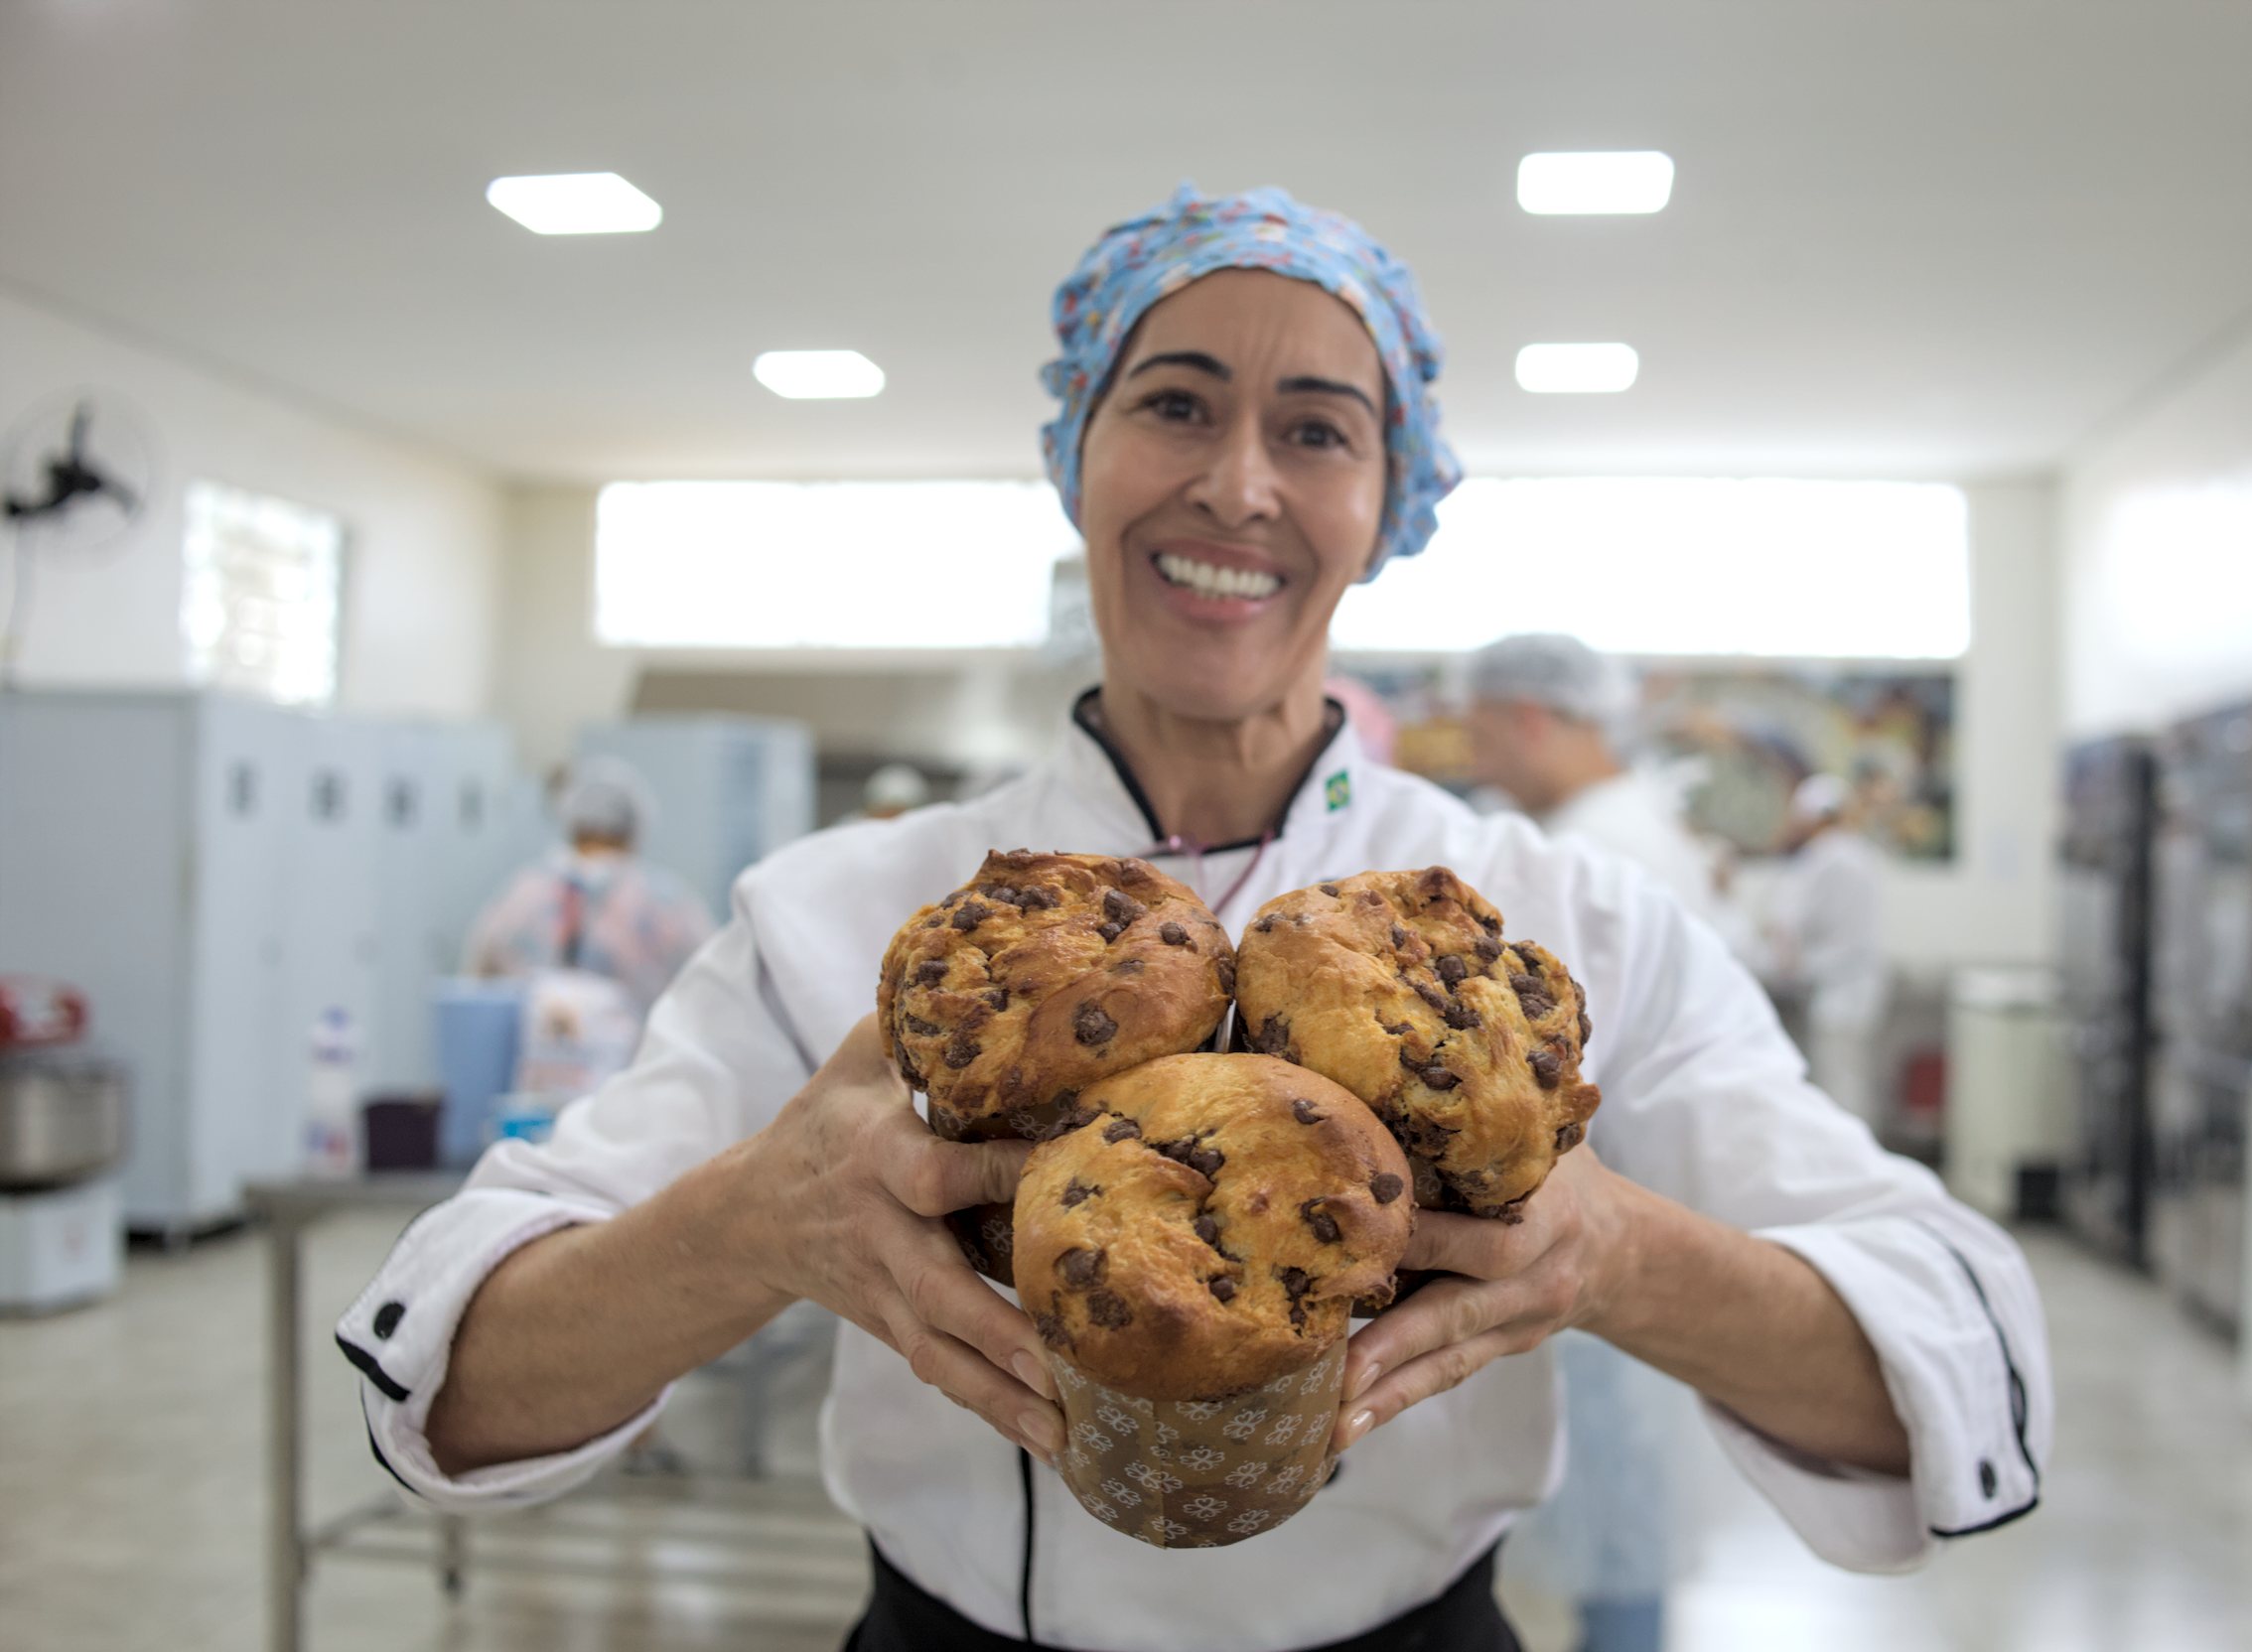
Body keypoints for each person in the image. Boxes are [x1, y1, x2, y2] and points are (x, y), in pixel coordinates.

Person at [341, 184, 2049, 1652]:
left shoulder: (1549, 937)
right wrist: (759, 1218)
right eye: (1173, 402)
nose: (1237, 485)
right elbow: (455, 1379)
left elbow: (1958, 1348)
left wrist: (1613, 1248)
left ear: (1391, 502)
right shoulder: (846, 922)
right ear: (1075, 454)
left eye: (1317, 427)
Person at [1467, 632, 1708, 1651]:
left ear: (1529, 718)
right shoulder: (1617, 823)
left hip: (1613, 1201)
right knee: (1610, 1489)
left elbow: (1536, 1062)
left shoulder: (1600, 850)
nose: (1477, 757)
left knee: (1615, 1498)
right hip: (1628, 1197)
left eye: (1481, 732)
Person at [1465, 632, 1726, 931]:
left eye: (1481, 740)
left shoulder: (1597, 846)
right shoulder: (1617, 816)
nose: (1479, 770)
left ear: (1530, 721)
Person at [463, 757, 718, 1019]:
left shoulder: (522, 895)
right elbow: (712, 989)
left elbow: (479, 986)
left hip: (534, 1057)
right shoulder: (666, 903)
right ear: (634, 829)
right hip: (643, 1057)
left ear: (572, 823)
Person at [1765, 773, 1893, 1128]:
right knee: (1854, 1082)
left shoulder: (1822, 858)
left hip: (1836, 993)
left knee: (1838, 1088)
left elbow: (1785, 923)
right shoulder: (1862, 854)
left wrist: (1787, 963)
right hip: (1864, 989)